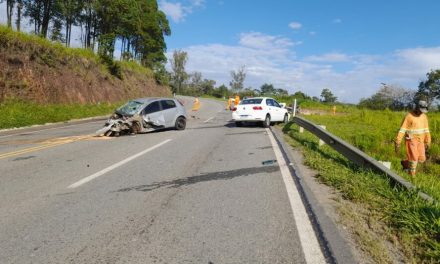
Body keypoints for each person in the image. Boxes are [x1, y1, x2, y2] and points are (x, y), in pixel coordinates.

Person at [395, 100, 431, 176]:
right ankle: (412, 176)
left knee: (421, 159)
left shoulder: (424, 117)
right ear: (417, 108)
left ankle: (405, 163)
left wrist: (428, 141)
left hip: (421, 141)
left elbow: (426, 130)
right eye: (421, 110)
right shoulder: (409, 116)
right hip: (411, 140)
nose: (422, 112)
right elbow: (402, 130)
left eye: (423, 111)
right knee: (414, 159)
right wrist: (398, 141)